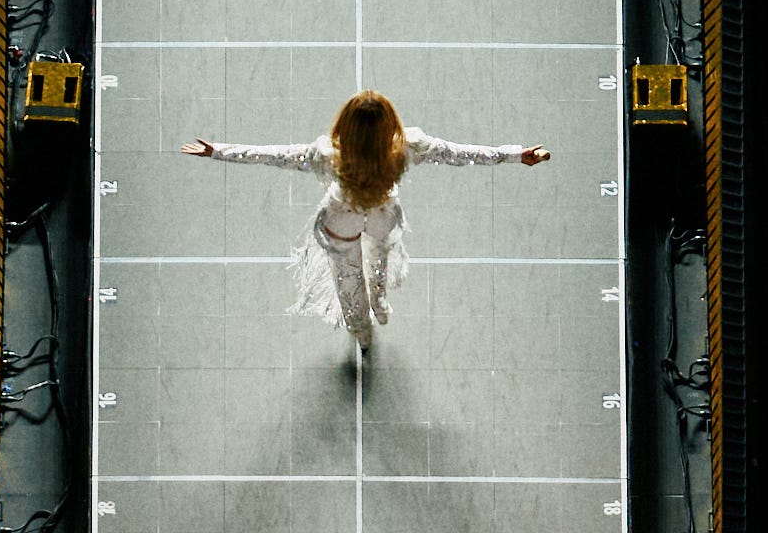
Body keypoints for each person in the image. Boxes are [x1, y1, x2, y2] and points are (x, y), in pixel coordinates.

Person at [181, 90, 549, 348]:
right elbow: (461, 153)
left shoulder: (328, 154)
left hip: (341, 220)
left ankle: (361, 330)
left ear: (346, 126)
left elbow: (275, 155)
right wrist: (516, 155)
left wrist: (218, 151)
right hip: (382, 216)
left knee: (348, 280)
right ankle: (380, 302)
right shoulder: (408, 146)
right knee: (379, 260)